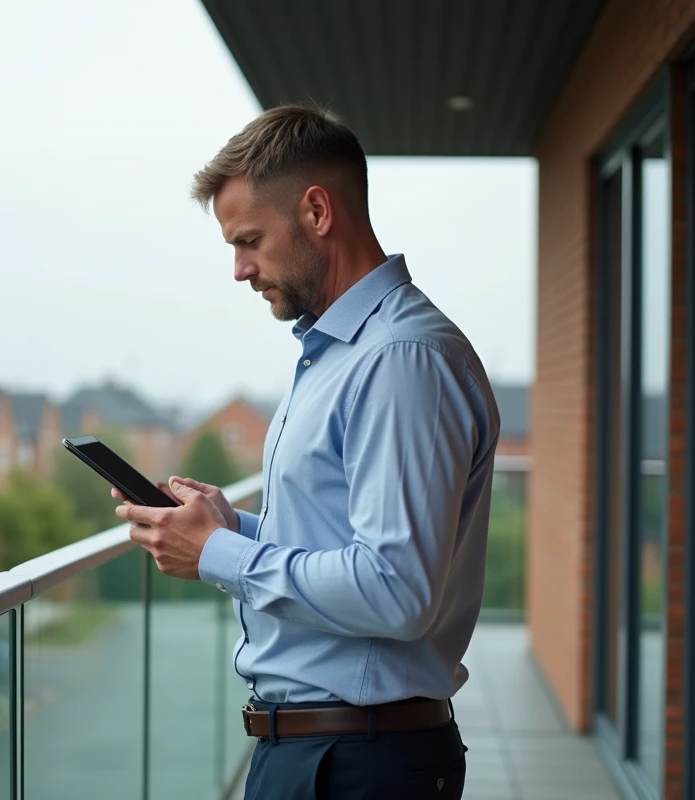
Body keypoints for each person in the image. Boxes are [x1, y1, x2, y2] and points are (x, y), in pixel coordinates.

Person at [114, 103, 499, 799]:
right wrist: (227, 528)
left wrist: (219, 556)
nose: (239, 269)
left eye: (250, 240)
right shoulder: (339, 355)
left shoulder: (398, 359)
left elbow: (396, 589)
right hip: (326, 751)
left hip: (358, 763)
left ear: (317, 212)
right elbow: (340, 539)